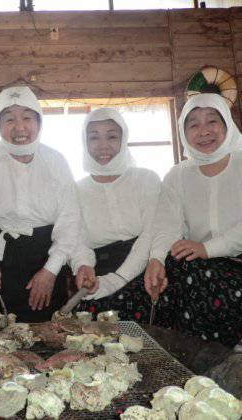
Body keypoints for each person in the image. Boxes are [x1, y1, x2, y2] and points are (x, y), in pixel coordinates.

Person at [145, 93, 242, 353]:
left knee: (195, 278)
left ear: (227, 124)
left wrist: (207, 249)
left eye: (212, 121)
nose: (203, 131)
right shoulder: (177, 176)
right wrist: (155, 260)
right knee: (169, 269)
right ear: (184, 132)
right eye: (193, 124)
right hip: (200, 265)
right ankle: (226, 335)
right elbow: (167, 226)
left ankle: (213, 340)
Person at [0, 86, 81, 322]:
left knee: (47, 335)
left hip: (46, 256)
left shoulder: (56, 160)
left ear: (39, 121)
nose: (19, 127)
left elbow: (70, 220)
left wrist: (51, 271)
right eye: (9, 119)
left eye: (27, 117)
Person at [70, 108, 161, 322]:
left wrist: (118, 279)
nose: (103, 145)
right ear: (84, 142)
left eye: (112, 136)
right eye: (94, 137)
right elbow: (77, 240)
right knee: (91, 331)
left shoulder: (146, 179)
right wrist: (83, 265)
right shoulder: (75, 190)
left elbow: (152, 232)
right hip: (101, 271)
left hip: (148, 264)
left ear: (124, 139)